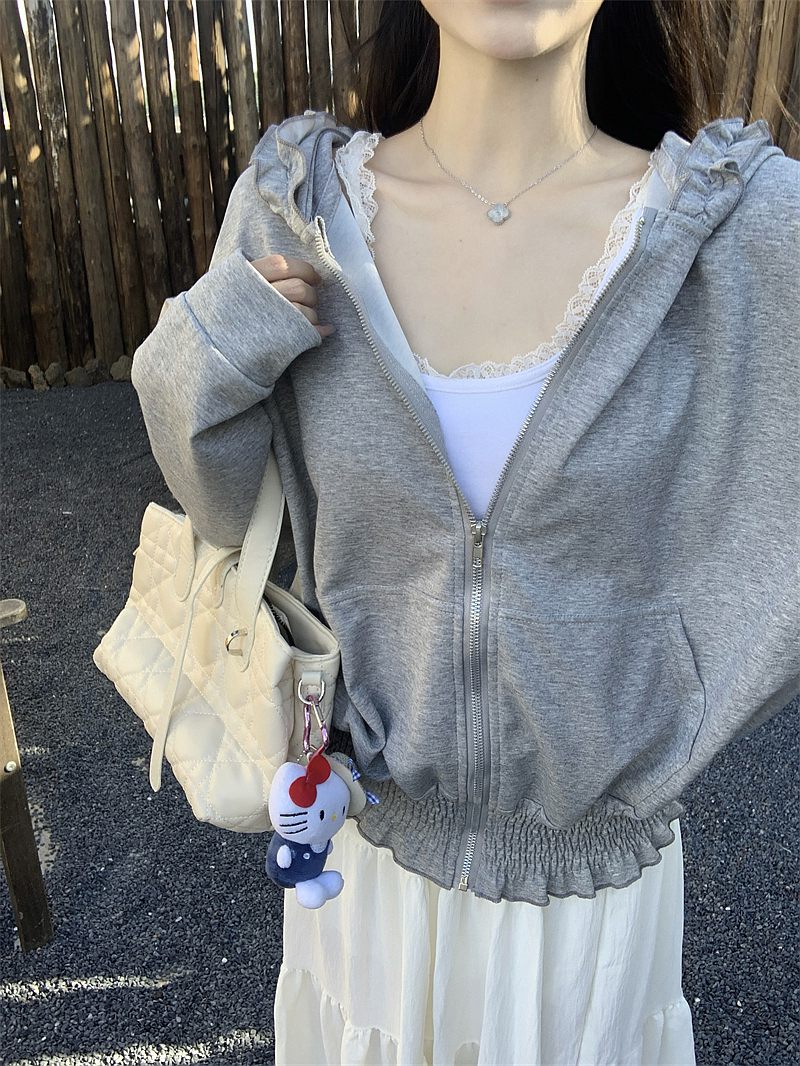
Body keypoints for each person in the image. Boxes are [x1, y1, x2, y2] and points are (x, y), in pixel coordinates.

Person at [130, 1, 799, 1063]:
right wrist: (201, 354)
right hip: (367, 877)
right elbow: (225, 513)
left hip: (593, 911)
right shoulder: (293, 208)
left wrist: (690, 690)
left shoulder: (734, 234)